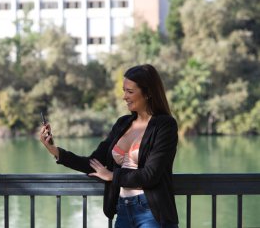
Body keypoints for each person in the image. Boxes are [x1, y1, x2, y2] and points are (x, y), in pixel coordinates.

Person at [39, 64, 179, 228]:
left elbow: (151, 175)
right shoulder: (122, 124)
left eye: (130, 91)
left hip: (152, 212)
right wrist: (55, 150)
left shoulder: (165, 125)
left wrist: (113, 176)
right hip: (123, 209)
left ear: (148, 93)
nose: (124, 96)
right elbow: (94, 163)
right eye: (124, 90)